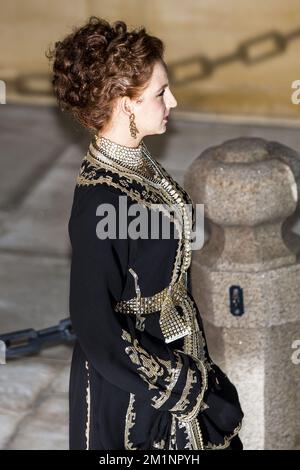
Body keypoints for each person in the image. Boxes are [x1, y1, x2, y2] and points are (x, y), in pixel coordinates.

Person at [47, 16, 244, 450]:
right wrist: (183, 386)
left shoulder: (136, 162)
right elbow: (94, 324)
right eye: (160, 92)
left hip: (175, 341)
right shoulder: (100, 202)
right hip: (136, 390)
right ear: (124, 102)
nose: (172, 100)